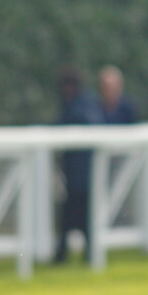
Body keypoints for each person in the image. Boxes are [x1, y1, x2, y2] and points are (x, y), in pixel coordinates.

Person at [54, 67, 103, 263]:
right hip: (74, 176)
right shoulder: (72, 103)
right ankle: (69, 255)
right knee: (72, 219)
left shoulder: (84, 104)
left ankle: (85, 256)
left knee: (83, 218)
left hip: (85, 175)